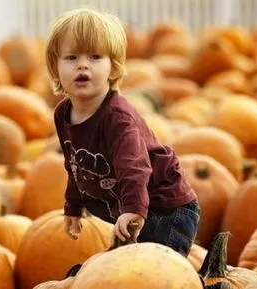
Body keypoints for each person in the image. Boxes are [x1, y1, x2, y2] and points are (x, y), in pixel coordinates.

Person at [45, 7, 200, 257]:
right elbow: (73, 164)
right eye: (71, 57)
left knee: (160, 273)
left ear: (114, 68)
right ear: (55, 67)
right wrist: (73, 206)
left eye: (95, 57)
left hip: (165, 208)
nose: (83, 65)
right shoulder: (63, 113)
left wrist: (133, 209)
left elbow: (135, 167)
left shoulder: (117, 119)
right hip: (133, 206)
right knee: (123, 270)